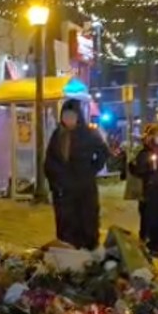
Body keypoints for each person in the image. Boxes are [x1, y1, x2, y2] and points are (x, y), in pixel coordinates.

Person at [45, 98, 109, 250]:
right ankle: (68, 251)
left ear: (78, 116)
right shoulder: (58, 135)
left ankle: (88, 250)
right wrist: (55, 182)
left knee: (87, 221)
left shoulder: (89, 134)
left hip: (84, 188)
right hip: (64, 190)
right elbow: (50, 161)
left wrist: (91, 170)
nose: (68, 120)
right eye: (65, 116)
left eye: (71, 116)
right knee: (66, 223)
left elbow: (103, 153)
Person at [128, 124, 158, 256]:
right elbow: (138, 170)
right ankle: (150, 241)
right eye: (156, 135)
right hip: (149, 190)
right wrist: (142, 168)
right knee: (149, 217)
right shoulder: (144, 153)